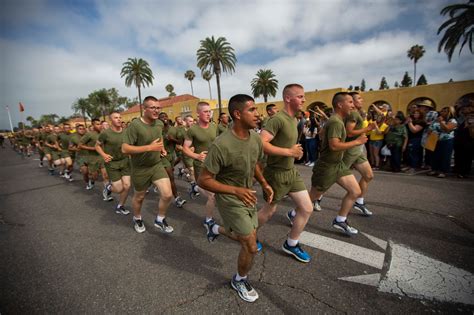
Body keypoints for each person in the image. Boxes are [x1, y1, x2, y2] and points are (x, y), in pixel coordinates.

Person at [198, 94, 273, 303]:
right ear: (237, 114)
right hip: (229, 197)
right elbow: (203, 180)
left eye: (256, 110)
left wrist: (265, 184)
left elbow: (255, 163)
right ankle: (239, 280)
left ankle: (214, 229)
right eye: (252, 110)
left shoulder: (256, 138)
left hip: (248, 194)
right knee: (250, 244)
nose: (257, 114)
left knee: (245, 236)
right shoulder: (221, 144)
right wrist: (236, 191)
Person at [259, 83, 313, 263]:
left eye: (303, 96)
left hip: (291, 172)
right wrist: (289, 152)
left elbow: (286, 145)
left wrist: (294, 152)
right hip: (275, 174)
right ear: (288, 98)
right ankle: (249, 233)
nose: (304, 100)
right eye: (300, 96)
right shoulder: (277, 119)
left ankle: (291, 243)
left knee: (306, 208)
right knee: (268, 212)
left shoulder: (294, 120)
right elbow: (262, 143)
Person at [308, 92, 368, 236]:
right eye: (350, 102)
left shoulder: (337, 121)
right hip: (327, 166)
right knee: (312, 197)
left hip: (338, 165)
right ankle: (293, 214)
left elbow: (322, 133)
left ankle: (340, 220)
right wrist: (357, 142)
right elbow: (334, 146)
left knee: (355, 191)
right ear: (340, 105)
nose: (352, 105)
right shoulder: (335, 121)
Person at [122, 96, 174, 233]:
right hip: (140, 168)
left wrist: (161, 148)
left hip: (156, 165)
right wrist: (149, 148)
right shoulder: (135, 126)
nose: (156, 110)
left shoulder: (159, 124)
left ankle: (160, 219)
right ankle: (137, 218)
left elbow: (159, 137)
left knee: (167, 195)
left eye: (158, 108)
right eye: (153, 107)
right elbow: (125, 148)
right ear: (144, 109)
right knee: (139, 197)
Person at [183, 102, 218, 230]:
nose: (208, 114)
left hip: (215, 165)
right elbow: (185, 148)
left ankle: (196, 188)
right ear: (198, 113)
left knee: (219, 192)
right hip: (201, 165)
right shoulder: (193, 130)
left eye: (209, 111)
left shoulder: (214, 126)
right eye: (205, 111)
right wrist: (197, 156)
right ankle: (208, 221)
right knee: (212, 196)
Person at [341, 92, 375, 216]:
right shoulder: (353, 114)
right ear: (352, 101)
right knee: (333, 175)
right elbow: (349, 133)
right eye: (359, 98)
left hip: (358, 150)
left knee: (368, 175)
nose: (362, 100)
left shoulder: (357, 113)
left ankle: (359, 202)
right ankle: (317, 196)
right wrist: (368, 129)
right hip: (350, 150)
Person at [96, 112, 131, 214]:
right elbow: (97, 146)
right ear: (110, 120)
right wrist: (104, 155)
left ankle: (120, 206)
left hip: (125, 161)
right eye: (116, 118)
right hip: (112, 163)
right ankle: (108, 187)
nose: (119, 119)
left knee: (127, 186)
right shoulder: (105, 133)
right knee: (119, 189)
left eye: (120, 117)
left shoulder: (126, 131)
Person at [158, 112, 186, 208]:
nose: (164, 118)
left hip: (172, 156)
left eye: (165, 116)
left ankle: (158, 184)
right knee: (171, 177)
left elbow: (180, 142)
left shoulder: (174, 129)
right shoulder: (157, 130)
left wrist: (172, 139)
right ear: (158, 119)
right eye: (162, 117)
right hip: (161, 156)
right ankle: (177, 198)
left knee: (167, 177)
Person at [79, 119, 109, 191]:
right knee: (94, 176)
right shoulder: (89, 134)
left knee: (105, 176)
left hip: (103, 157)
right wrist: (93, 148)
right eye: (97, 124)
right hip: (93, 158)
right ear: (93, 125)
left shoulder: (104, 133)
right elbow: (80, 145)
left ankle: (107, 193)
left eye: (100, 124)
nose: (100, 126)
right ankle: (91, 181)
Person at [428, 106, 457, 178]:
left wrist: (441, 122)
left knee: (445, 156)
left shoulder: (452, 121)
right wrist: (431, 130)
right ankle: (435, 169)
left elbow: (447, 130)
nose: (442, 112)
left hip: (447, 140)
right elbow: (430, 128)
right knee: (435, 156)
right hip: (436, 140)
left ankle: (443, 171)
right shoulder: (437, 120)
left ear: (449, 113)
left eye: (445, 111)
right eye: (442, 111)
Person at [69, 124, 89, 188]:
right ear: (77, 130)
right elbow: (70, 148)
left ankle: (92, 180)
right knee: (85, 171)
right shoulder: (73, 138)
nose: (82, 130)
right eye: (80, 129)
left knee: (93, 173)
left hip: (90, 156)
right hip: (80, 156)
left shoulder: (88, 136)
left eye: (83, 129)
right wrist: (76, 149)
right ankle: (87, 182)